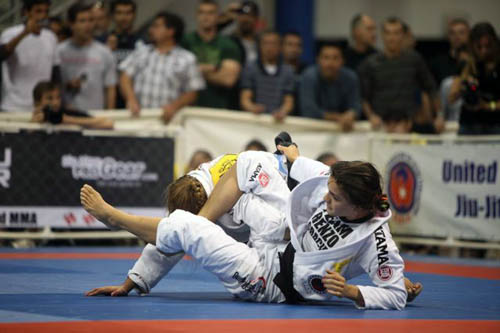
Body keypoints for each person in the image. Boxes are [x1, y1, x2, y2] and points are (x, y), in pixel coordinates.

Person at [82, 146, 422, 308]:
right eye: (328, 191)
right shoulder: (332, 185)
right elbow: (304, 168)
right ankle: (200, 224)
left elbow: (392, 295)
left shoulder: (376, 241)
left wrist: (353, 291)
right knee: (252, 161)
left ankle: (118, 219)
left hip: (267, 280)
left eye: (334, 199)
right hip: (276, 237)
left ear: (360, 206)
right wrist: (291, 156)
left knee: (186, 226)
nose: (326, 200)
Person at [358, 17, 442, 133]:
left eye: (396, 33)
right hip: (380, 126)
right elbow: (363, 97)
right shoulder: (370, 63)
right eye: (388, 33)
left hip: (409, 125)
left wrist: (439, 115)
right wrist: (371, 116)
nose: (392, 38)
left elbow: (431, 88)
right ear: (382, 36)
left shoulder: (414, 60)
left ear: (403, 35)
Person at [119, 12, 205, 122]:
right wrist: (130, 99)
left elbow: (193, 91)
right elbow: (125, 77)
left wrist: (174, 106)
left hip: (169, 121)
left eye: (156, 26)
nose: (151, 30)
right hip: (138, 118)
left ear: (170, 31)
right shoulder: (141, 52)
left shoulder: (187, 58)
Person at [182, 0, 242, 109]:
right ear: (196, 15)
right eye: (202, 12)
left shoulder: (228, 45)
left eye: (210, 13)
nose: (206, 17)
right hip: (187, 108)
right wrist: (212, 68)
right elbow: (178, 74)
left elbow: (228, 80)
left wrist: (193, 70)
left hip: (217, 109)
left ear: (218, 17)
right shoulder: (185, 41)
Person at [1, 0, 60, 112]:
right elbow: (3, 55)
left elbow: (56, 72)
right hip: (14, 105)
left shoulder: (51, 37)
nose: (43, 15)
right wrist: (25, 33)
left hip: (42, 106)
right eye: (38, 11)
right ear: (26, 12)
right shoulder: (10, 33)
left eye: (46, 11)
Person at [58, 3, 117, 111]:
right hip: (66, 117)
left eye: (90, 20)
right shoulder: (59, 51)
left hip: (95, 118)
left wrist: (110, 115)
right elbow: (52, 85)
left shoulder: (104, 52)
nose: (88, 25)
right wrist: (67, 86)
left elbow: (110, 88)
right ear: (71, 24)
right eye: (82, 21)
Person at [450, 22, 500, 134]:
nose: (484, 51)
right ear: (472, 45)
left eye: (488, 46)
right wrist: (463, 86)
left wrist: (488, 106)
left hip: (495, 123)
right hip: (469, 123)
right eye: (479, 47)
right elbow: (451, 98)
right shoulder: (467, 65)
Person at [299, 44, 361, 132]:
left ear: (342, 61)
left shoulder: (351, 77)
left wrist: (351, 114)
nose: (330, 63)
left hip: (344, 129)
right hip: (313, 130)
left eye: (335, 58)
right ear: (318, 60)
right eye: (326, 58)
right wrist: (338, 117)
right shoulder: (309, 76)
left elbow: (356, 106)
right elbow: (308, 110)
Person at [240, 31, 295, 121]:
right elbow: (245, 98)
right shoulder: (250, 68)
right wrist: (252, 108)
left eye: (273, 43)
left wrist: (283, 111)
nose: (270, 47)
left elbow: (289, 100)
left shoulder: (288, 71)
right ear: (260, 46)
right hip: (255, 120)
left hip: (278, 121)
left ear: (280, 47)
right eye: (266, 43)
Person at [30, 81, 113, 129]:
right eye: (50, 98)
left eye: (58, 97)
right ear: (37, 102)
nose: (55, 102)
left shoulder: (66, 113)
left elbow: (108, 123)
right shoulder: (37, 117)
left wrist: (67, 120)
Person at [430, 18, 470, 85]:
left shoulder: (475, 62)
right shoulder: (437, 63)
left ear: (469, 35)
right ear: (448, 36)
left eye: (461, 33)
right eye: (452, 33)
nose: (457, 37)